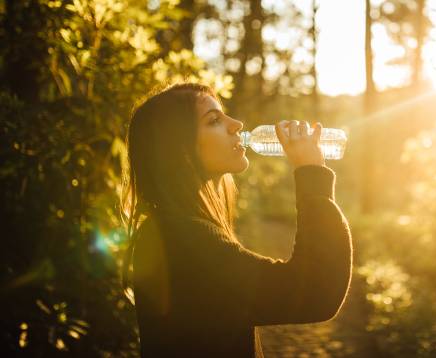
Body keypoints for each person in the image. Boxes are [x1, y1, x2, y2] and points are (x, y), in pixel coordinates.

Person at [120, 82, 353, 357]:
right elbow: (315, 291)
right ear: (179, 148)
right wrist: (311, 173)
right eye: (214, 120)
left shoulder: (175, 229)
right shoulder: (184, 240)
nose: (237, 124)